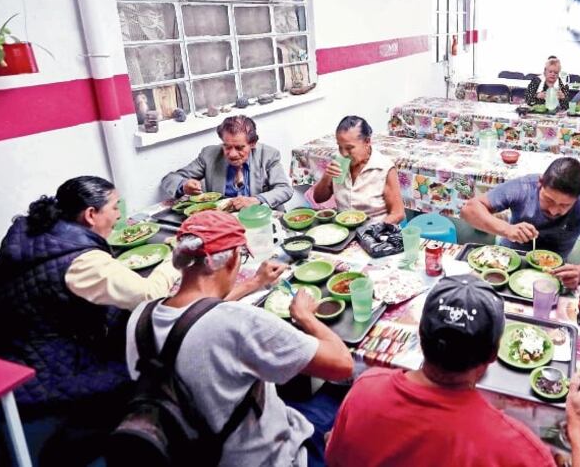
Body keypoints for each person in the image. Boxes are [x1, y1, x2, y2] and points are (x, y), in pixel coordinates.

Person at [0, 176, 180, 464]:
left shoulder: (36, 229)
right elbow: (150, 293)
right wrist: (175, 258)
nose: (119, 216)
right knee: (144, 359)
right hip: (36, 362)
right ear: (90, 215)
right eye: (115, 208)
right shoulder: (81, 261)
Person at [126, 211, 354, 467]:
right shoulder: (241, 322)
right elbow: (342, 364)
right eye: (242, 254)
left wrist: (254, 283)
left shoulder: (140, 317)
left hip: (184, 449)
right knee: (345, 393)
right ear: (233, 259)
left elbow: (194, 317)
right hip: (265, 457)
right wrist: (305, 317)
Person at [326, 275, 580, 467]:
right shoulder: (517, 447)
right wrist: (579, 431)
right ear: (493, 354)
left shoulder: (365, 387)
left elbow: (333, 457)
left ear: (420, 337)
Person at [461, 158, 580, 289]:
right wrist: (507, 229)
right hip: (507, 262)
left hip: (555, 272)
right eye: (549, 199)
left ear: (578, 197)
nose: (554, 210)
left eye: (565, 205)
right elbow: (468, 210)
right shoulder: (523, 187)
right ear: (540, 182)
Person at [160, 115, 294, 210]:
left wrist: (256, 200)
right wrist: (183, 186)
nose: (232, 154)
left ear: (252, 144)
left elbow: (284, 189)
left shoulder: (268, 155)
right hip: (223, 223)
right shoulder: (209, 155)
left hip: (261, 220)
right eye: (227, 146)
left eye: (240, 147)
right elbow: (170, 179)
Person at [311, 116, 405, 225]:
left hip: (376, 233)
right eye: (340, 147)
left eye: (350, 148)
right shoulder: (340, 162)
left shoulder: (383, 168)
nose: (344, 153)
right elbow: (318, 198)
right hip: (345, 230)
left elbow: (398, 213)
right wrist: (327, 176)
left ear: (367, 142)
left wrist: (372, 231)